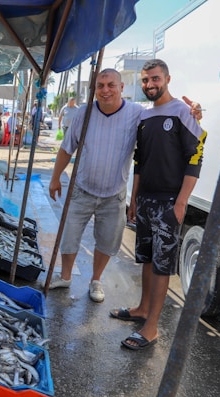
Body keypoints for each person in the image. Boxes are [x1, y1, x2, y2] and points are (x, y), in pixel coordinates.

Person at [47, 68, 202, 304]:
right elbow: (67, 148)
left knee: (108, 241)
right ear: (95, 90)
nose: (105, 90)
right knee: (69, 235)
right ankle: (66, 276)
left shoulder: (137, 113)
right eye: (100, 86)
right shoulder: (83, 114)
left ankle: (95, 280)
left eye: (111, 85)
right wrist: (55, 177)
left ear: (121, 88)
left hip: (114, 195)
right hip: (82, 188)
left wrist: (193, 113)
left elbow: (165, 113)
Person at [117, 59, 206, 351]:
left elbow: (196, 157)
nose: (149, 85)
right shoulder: (144, 117)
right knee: (146, 258)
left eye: (155, 79)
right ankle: (143, 309)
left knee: (162, 265)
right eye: (145, 80)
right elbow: (139, 161)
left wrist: (181, 202)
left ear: (167, 78)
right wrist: (133, 198)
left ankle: (152, 328)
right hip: (145, 201)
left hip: (169, 201)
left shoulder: (182, 112)